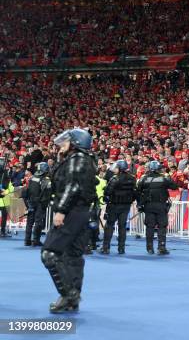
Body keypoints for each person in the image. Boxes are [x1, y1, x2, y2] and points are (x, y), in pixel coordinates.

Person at [41, 128, 97, 313]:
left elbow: (71, 187)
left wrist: (61, 211)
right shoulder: (85, 160)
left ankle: (69, 294)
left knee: (49, 253)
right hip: (81, 212)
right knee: (73, 256)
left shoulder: (77, 160)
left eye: (66, 141)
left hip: (72, 211)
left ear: (75, 143)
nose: (61, 145)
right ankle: (72, 300)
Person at [136, 160, 178, 255]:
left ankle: (149, 248)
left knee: (149, 227)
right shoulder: (164, 177)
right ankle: (161, 247)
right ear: (159, 168)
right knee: (162, 226)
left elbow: (137, 191)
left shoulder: (144, 178)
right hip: (161, 205)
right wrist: (168, 176)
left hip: (148, 206)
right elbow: (175, 186)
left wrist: (140, 204)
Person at [100, 160, 136, 255]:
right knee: (122, 227)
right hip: (126, 206)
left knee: (109, 226)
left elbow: (107, 192)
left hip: (114, 205)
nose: (114, 169)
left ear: (120, 168)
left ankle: (105, 247)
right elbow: (134, 192)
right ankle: (121, 248)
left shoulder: (115, 179)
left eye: (116, 167)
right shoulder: (132, 178)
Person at [23, 162, 52, 246]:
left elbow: (27, 191)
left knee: (29, 222)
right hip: (39, 204)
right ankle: (36, 240)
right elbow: (47, 194)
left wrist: (28, 203)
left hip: (31, 202)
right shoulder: (46, 180)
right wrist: (44, 204)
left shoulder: (32, 178)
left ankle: (27, 240)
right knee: (38, 222)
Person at [0, 157, 14, 237]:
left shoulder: (6, 177)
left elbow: (11, 188)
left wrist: (5, 191)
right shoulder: (6, 176)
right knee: (4, 216)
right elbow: (11, 188)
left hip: (4, 200)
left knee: (4, 216)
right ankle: (2, 231)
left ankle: (2, 231)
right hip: (4, 200)